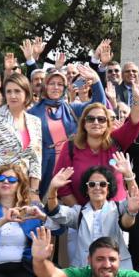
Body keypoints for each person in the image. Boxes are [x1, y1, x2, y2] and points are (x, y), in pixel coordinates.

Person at [27, 66, 106, 198]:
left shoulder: (72, 108)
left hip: (71, 166)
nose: (56, 87)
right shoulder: (32, 112)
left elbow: (98, 105)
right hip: (45, 168)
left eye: (60, 84)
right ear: (45, 86)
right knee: (46, 204)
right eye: (52, 83)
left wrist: (96, 81)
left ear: (64, 88)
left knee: (73, 204)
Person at [46, 164, 139, 269]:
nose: (97, 187)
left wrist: (129, 175)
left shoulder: (118, 208)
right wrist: (53, 189)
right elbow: (55, 211)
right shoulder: (79, 213)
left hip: (117, 270)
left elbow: (134, 198)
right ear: (87, 190)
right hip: (86, 271)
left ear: (108, 189)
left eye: (102, 184)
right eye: (92, 184)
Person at [53, 98, 139, 206]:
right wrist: (81, 212)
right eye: (91, 119)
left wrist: (137, 98)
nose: (96, 122)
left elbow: (134, 124)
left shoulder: (116, 141)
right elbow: (62, 187)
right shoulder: (70, 146)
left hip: (117, 212)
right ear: (84, 123)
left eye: (101, 119)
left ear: (107, 124)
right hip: (81, 212)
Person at [31, 228, 139, 277]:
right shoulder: (79, 276)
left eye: (112, 259)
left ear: (119, 260)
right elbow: (50, 276)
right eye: (100, 259)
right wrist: (39, 260)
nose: (107, 265)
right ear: (89, 260)